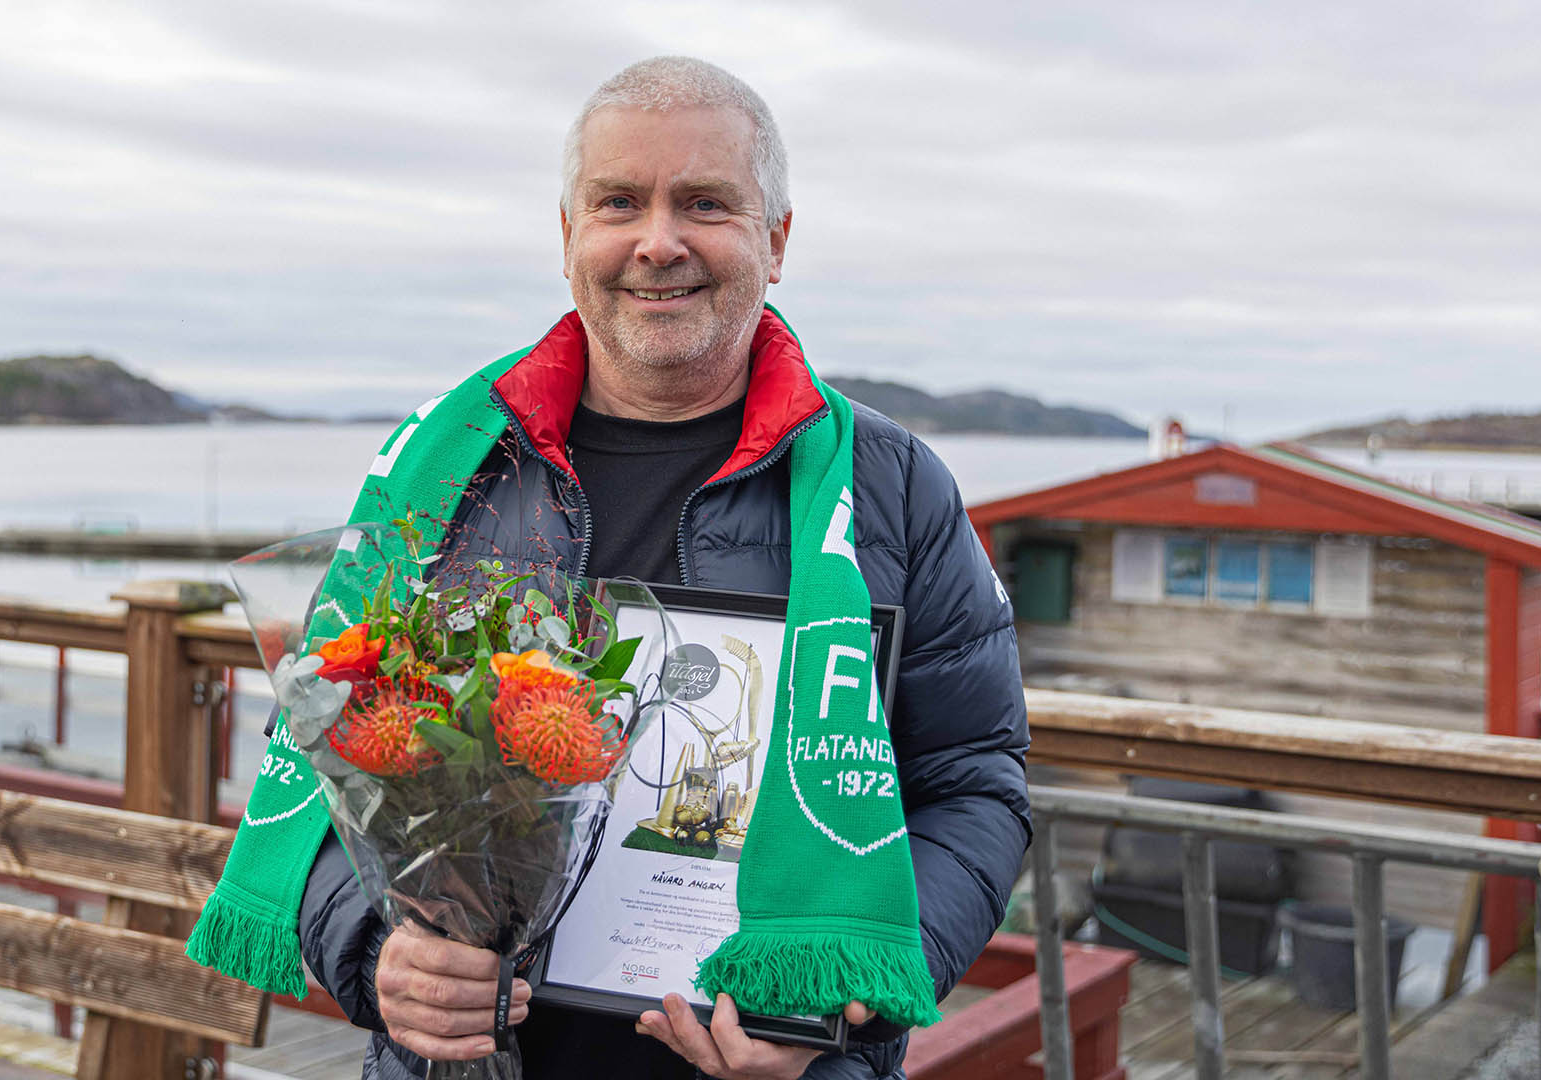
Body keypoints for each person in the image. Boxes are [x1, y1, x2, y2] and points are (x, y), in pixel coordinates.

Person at [297, 56, 1030, 1080]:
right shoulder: (442, 476)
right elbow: (330, 760)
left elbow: (972, 786)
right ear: (567, 238)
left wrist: (844, 1012)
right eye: (618, 202)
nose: (658, 241)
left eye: (705, 203)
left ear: (775, 242)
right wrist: (376, 953)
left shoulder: (894, 490)